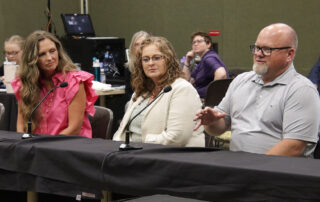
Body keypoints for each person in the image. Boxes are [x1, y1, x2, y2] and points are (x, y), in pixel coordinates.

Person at [194, 23, 320, 157]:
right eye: (256, 48)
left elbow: (294, 147)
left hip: (278, 173)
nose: (258, 54)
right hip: (238, 167)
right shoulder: (241, 81)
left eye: (267, 49)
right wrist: (211, 122)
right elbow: (219, 128)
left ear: (289, 54)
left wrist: (254, 169)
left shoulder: (301, 90)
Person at [113, 36, 204, 146]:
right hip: (134, 155)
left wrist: (140, 143)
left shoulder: (182, 89)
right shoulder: (142, 91)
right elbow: (122, 130)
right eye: (145, 59)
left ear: (168, 59)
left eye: (156, 58)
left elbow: (177, 138)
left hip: (169, 158)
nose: (150, 63)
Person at [11, 30, 98, 138]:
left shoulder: (74, 81)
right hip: (36, 148)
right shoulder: (26, 82)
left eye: (52, 51)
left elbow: (74, 129)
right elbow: (20, 125)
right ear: (32, 59)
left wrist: (45, 147)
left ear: (58, 51)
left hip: (69, 147)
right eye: (42, 54)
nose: (49, 58)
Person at [183, 31, 228, 99]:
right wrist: (187, 61)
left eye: (199, 41)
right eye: (193, 42)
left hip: (207, 102)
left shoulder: (209, 58)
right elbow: (186, 81)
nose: (195, 44)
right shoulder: (203, 60)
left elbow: (221, 73)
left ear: (208, 44)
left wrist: (211, 95)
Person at [125, 31, 151, 102]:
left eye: (142, 44)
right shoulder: (129, 67)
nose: (139, 47)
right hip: (135, 101)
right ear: (132, 48)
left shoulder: (152, 65)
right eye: (136, 44)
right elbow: (128, 93)